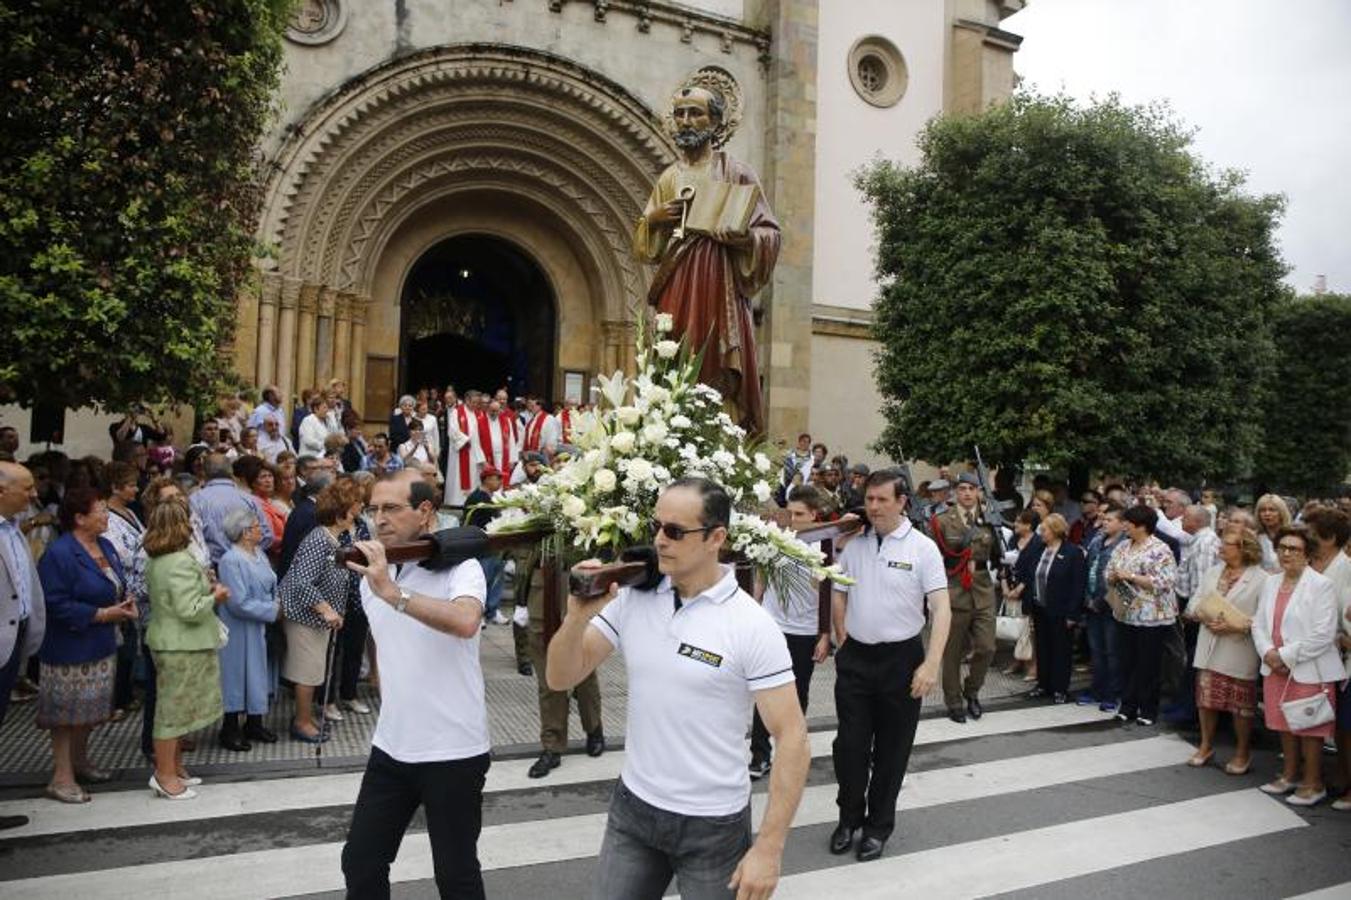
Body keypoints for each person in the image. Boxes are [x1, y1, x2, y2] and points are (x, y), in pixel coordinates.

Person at [545, 477, 807, 897]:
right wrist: (576, 617)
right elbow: (560, 677)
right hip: (634, 810)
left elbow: (792, 737)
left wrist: (769, 849)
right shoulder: (635, 597)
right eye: (657, 526)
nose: (659, 540)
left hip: (713, 825)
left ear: (716, 537)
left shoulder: (751, 625)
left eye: (675, 531)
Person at [340, 470, 491, 898]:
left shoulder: (462, 567)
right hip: (392, 747)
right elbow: (389, 653)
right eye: (373, 509)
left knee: (456, 873)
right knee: (361, 861)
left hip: (454, 750)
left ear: (425, 513)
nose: (379, 519)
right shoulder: (375, 576)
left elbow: (465, 621)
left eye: (391, 508)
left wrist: (395, 594)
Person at [634, 82, 780, 434]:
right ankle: (673, 427)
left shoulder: (738, 172)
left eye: (695, 113)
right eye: (680, 114)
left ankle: (720, 427)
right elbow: (645, 247)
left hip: (720, 282)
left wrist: (744, 238)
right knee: (675, 352)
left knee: (715, 351)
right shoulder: (670, 177)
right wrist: (653, 221)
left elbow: (771, 233)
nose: (685, 121)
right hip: (678, 280)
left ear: (714, 123)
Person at [829, 470, 950, 862]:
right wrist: (842, 636)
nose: (874, 507)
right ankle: (849, 818)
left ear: (902, 502)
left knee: (892, 751)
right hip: (857, 659)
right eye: (869, 500)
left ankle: (878, 827)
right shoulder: (854, 545)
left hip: (902, 660)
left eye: (882, 500)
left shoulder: (922, 548)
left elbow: (941, 608)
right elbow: (839, 591)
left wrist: (931, 664)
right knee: (850, 747)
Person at [34, 488, 135, 804]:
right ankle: (61, 777)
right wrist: (102, 613)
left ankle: (80, 761)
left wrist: (121, 604)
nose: (106, 516)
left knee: (89, 711)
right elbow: (53, 602)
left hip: (101, 642)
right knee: (65, 715)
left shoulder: (104, 544)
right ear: (79, 518)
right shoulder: (60, 553)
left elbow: (113, 582)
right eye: (100, 511)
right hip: (70, 646)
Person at [1253, 524, 1344, 806]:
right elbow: (1258, 622)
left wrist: (1284, 656)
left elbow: (1324, 634)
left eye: (1294, 549)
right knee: (1283, 724)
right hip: (1275, 667)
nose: (1287, 553)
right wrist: (1268, 652)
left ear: (1308, 554)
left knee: (1309, 728)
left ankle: (1313, 784)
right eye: (1282, 548)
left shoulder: (1321, 585)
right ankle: (1290, 775)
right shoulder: (1271, 581)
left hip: (1308, 669)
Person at [144, 498, 226, 800]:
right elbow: (189, 609)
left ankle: (175, 767)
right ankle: (164, 774)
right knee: (172, 713)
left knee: (176, 710)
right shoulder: (178, 560)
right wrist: (215, 596)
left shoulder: (157, 559)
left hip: (171, 641)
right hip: (181, 645)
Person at [749, 485, 832, 778]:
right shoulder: (776, 538)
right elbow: (760, 576)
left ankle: (790, 749)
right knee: (765, 691)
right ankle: (760, 755)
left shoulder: (825, 545)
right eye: (790, 513)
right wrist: (755, 611)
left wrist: (825, 634)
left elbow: (827, 591)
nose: (793, 519)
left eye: (799, 514)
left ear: (814, 514)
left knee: (798, 694)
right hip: (772, 626)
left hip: (805, 632)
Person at [278, 479, 362, 743]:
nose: (358, 511)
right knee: (307, 671)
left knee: (315, 670)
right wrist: (327, 610)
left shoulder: (332, 538)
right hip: (306, 618)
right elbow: (301, 580)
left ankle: (305, 718)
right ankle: (301, 722)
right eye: (355, 507)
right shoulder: (320, 539)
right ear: (341, 513)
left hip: (318, 619)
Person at [1183, 525, 1264, 773]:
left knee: (1240, 705)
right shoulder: (1213, 572)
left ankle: (1242, 752)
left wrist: (1235, 625)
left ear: (1243, 548)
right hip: (1210, 643)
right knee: (1206, 700)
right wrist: (1204, 617)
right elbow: (1195, 602)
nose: (1219, 548)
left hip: (1240, 647)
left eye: (1225, 544)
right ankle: (1205, 745)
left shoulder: (1262, 579)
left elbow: (1264, 618)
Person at [933, 472, 998, 723]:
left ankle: (972, 692)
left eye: (972, 489)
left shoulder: (988, 520)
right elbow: (932, 558)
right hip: (953, 588)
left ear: (979, 492)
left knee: (986, 646)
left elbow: (996, 553)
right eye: (962, 488)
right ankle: (953, 701)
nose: (968, 493)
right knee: (952, 651)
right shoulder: (941, 522)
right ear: (954, 493)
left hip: (982, 588)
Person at [1105, 505, 1178, 726]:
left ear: (1142, 526)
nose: (1125, 526)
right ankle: (1127, 705)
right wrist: (1114, 576)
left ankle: (1148, 709)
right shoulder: (1124, 546)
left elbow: (1166, 581)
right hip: (1126, 612)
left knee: (1148, 665)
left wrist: (1132, 576)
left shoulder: (1160, 549)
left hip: (1151, 617)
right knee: (1127, 661)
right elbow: (1108, 570)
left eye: (1129, 523)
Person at [216, 507, 281, 752]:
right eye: (255, 527)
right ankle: (229, 728)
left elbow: (270, 583)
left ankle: (255, 722)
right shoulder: (231, 560)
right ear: (244, 533)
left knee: (258, 674)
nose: (260, 530)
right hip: (241, 627)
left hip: (261, 623)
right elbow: (237, 602)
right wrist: (273, 611)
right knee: (237, 676)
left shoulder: (259, 554)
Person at [1302, 507, 1351, 810]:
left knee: (1346, 727)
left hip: (1339, 653)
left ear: (1330, 538)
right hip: (1319, 654)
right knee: (1333, 724)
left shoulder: (1345, 568)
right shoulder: (1312, 562)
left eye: (1311, 535)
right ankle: (1338, 774)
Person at [1026, 513, 1087, 704]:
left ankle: (1060, 688)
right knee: (1043, 647)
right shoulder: (1039, 549)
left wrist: (1073, 613)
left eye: (1044, 530)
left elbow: (1078, 585)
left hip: (1061, 610)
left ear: (1055, 530)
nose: (1041, 533)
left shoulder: (1072, 553)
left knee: (1061, 649)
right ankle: (1043, 684)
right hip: (1040, 607)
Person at [102, 461, 145, 720]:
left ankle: (125, 693)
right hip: (121, 587)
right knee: (121, 645)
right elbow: (117, 552)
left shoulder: (130, 512)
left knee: (130, 646)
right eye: (130, 485)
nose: (136, 490)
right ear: (115, 488)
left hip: (136, 588)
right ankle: (114, 699)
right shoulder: (108, 517)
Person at [1079, 503, 1127, 711]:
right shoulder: (1097, 540)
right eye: (1104, 519)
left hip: (1111, 605)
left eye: (1110, 520)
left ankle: (1113, 692)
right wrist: (1088, 598)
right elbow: (1088, 567)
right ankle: (1097, 689)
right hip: (1091, 603)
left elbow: (1117, 580)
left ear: (1123, 524)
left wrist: (1100, 600)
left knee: (1113, 651)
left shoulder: (1124, 545)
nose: (1104, 523)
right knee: (1096, 650)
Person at [189, 454, 274, 565]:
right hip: (248, 566)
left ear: (204, 473)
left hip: (215, 570)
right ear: (230, 472)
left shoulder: (195, 500)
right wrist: (246, 553)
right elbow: (267, 535)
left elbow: (193, 539)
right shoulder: (249, 499)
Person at [1255, 493, 1292, 573]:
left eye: (1272, 510)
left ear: (1281, 513)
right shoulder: (1255, 538)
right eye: (1263, 510)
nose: (1267, 514)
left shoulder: (1292, 536)